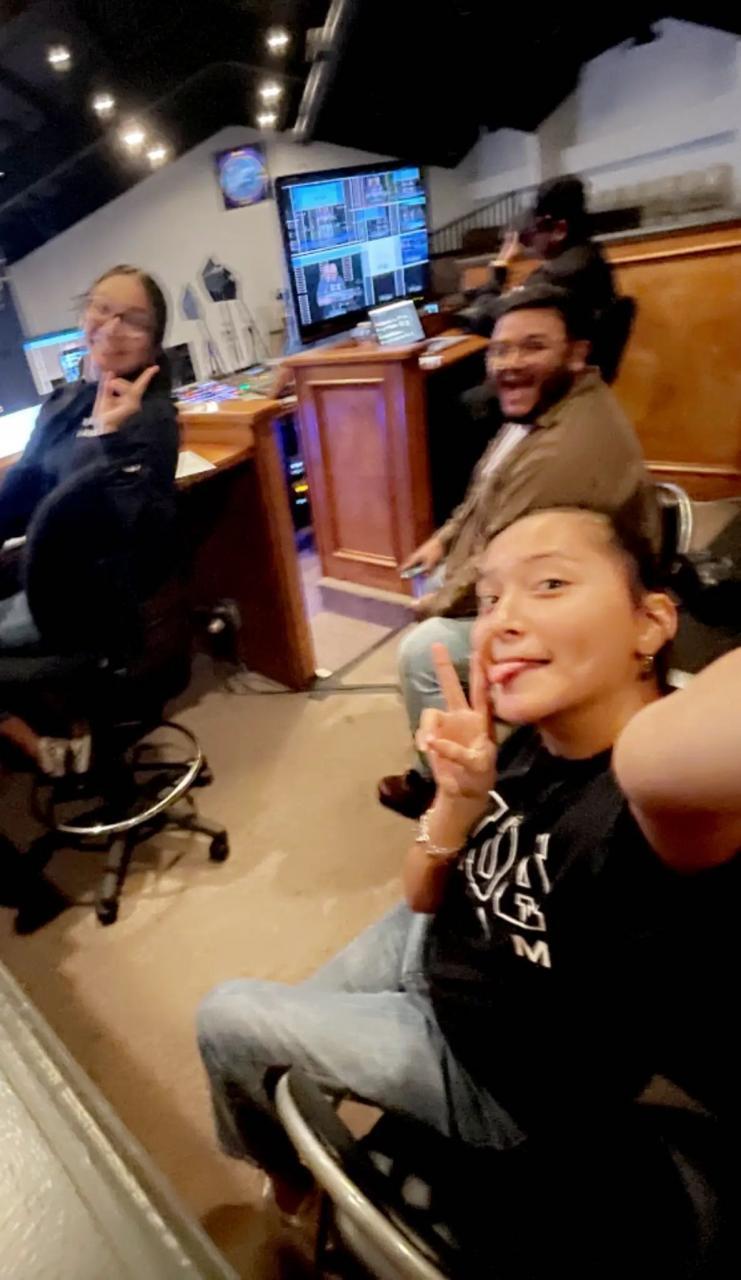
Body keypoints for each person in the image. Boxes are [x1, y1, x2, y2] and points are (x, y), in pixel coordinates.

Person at [197, 504, 739, 1273]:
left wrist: (657, 738)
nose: (499, 622)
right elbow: (421, 896)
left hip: (488, 1078)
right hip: (445, 942)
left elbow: (675, 753)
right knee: (276, 1041)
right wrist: (457, 799)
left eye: (548, 584)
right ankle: (301, 1129)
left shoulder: (661, 807)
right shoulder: (535, 745)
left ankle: (288, 1179)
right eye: (488, 598)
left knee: (227, 1019)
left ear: (650, 622)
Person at [379, 280, 654, 818]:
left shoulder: (562, 450)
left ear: (576, 354)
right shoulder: (537, 412)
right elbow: (485, 489)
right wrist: (442, 540)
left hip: (575, 604)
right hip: (534, 571)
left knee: (423, 650)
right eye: (501, 350)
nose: (509, 363)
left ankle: (448, 787)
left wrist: (433, 606)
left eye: (533, 347)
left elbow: (498, 569)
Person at [0, 264, 179, 774]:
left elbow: (122, 522)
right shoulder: (66, 401)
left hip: (86, 602)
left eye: (133, 320)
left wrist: (108, 437)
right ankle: (62, 731)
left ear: (153, 343)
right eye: (102, 308)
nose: (112, 327)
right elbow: (23, 486)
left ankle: (40, 745)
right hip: (48, 581)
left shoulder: (150, 418)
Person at [457, 174, 616, 343]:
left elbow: (481, 320)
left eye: (532, 233)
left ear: (559, 230)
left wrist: (500, 265)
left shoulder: (553, 280)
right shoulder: (591, 259)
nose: (529, 243)